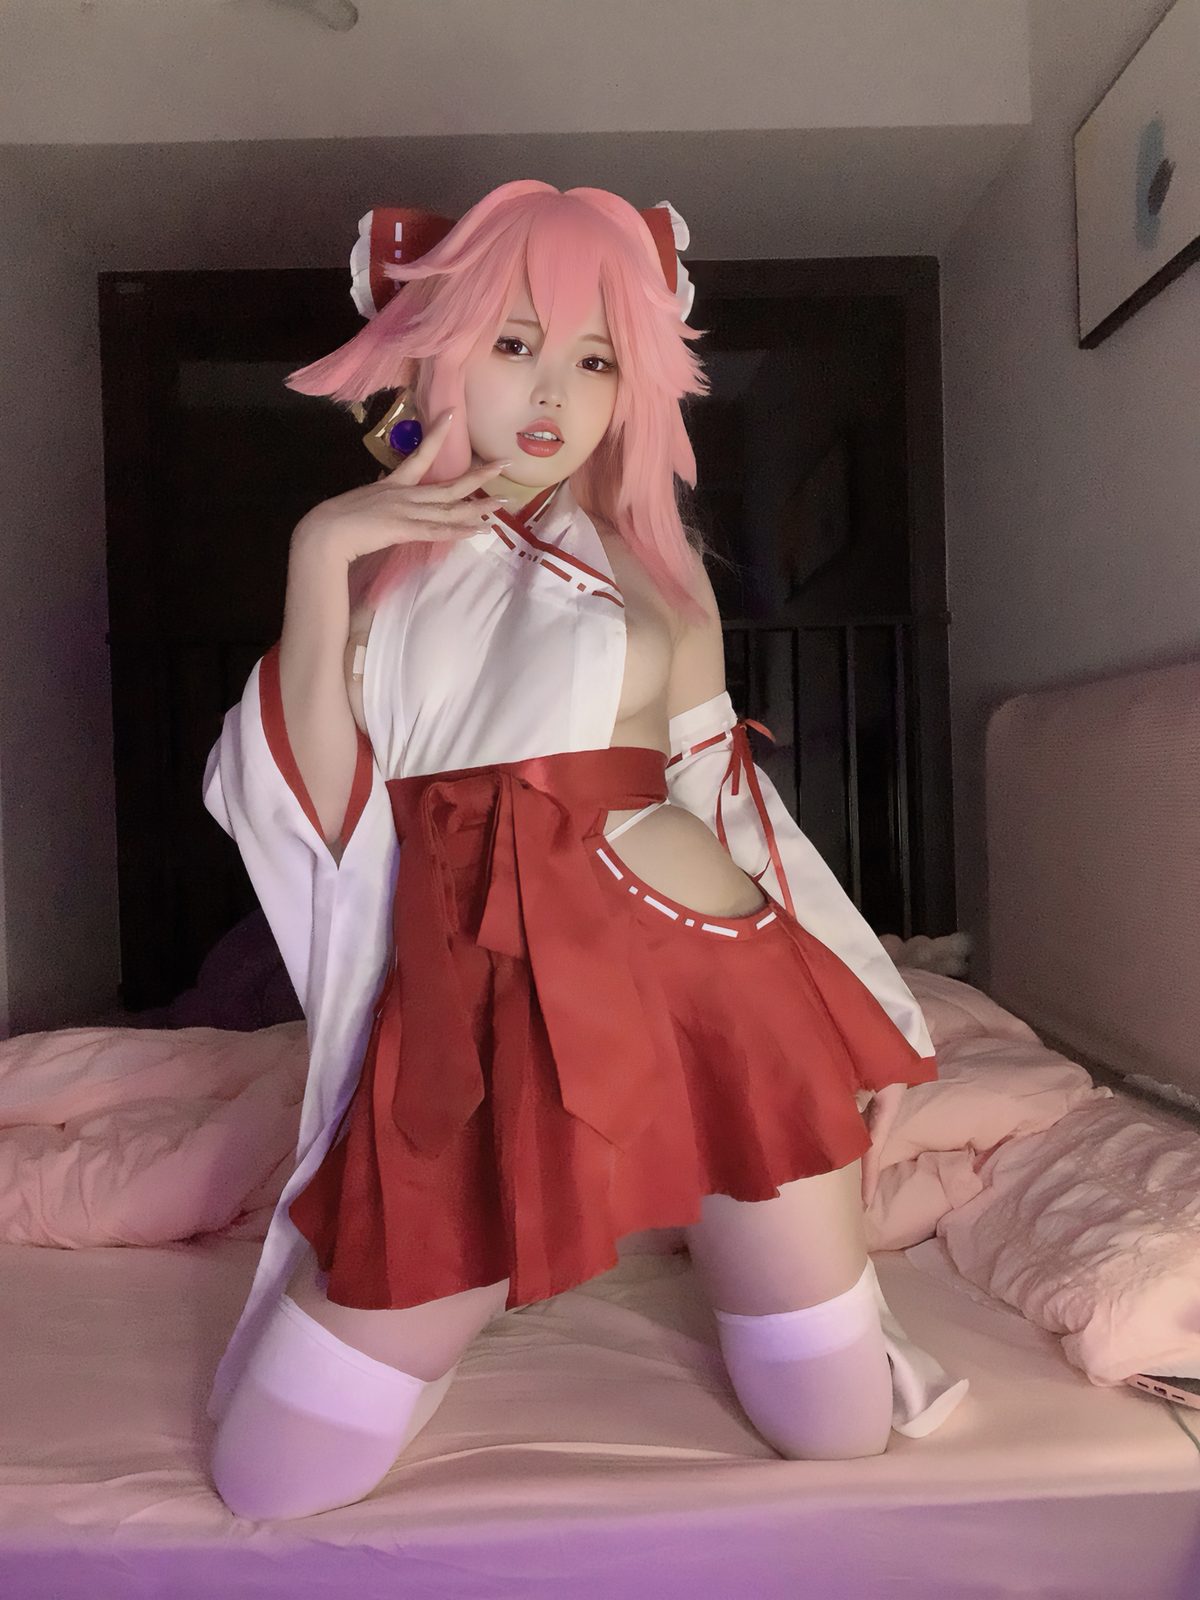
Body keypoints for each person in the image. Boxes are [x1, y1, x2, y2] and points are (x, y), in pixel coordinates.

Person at [205, 181, 967, 1521]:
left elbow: (729, 805)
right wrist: (319, 556)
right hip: (482, 1018)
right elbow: (317, 811)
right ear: (434, 350)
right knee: (272, 1474)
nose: (554, 390)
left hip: (727, 997)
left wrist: (873, 1005)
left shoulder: (659, 571)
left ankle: (738, 1241)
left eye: (597, 358)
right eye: (514, 343)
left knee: (835, 1430)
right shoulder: (374, 566)